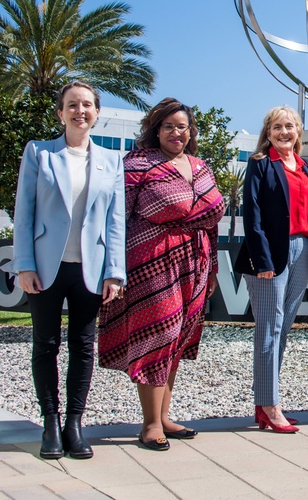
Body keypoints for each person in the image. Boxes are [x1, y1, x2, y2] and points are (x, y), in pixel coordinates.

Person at [97, 98, 225, 451]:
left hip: (194, 264)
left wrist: (211, 267)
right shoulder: (138, 164)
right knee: (158, 335)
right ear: (155, 129)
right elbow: (117, 216)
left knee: (177, 339)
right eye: (168, 126)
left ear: (190, 131)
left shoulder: (200, 166)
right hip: (152, 260)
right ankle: (150, 424)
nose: (176, 132)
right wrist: (113, 267)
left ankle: (164, 416)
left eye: (182, 126)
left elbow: (212, 223)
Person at [12, 80, 126, 460]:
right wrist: (23, 264)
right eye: (72, 105)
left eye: (87, 105)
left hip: (89, 270)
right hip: (45, 267)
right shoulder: (39, 153)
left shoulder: (112, 160)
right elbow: (24, 214)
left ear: (97, 113)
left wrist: (114, 271)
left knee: (83, 346)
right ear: (60, 112)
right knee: (45, 344)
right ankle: (50, 422)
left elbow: (116, 221)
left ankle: (74, 423)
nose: (80, 111)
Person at [236, 106, 308, 434]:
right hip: (270, 256)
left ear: (298, 131)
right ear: (268, 132)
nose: (284, 132)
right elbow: (252, 216)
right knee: (268, 330)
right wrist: (263, 261)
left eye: (290, 126)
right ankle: (271, 406)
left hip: (302, 251)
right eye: (277, 127)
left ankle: (264, 403)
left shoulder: (306, 166)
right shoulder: (260, 165)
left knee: (282, 329)